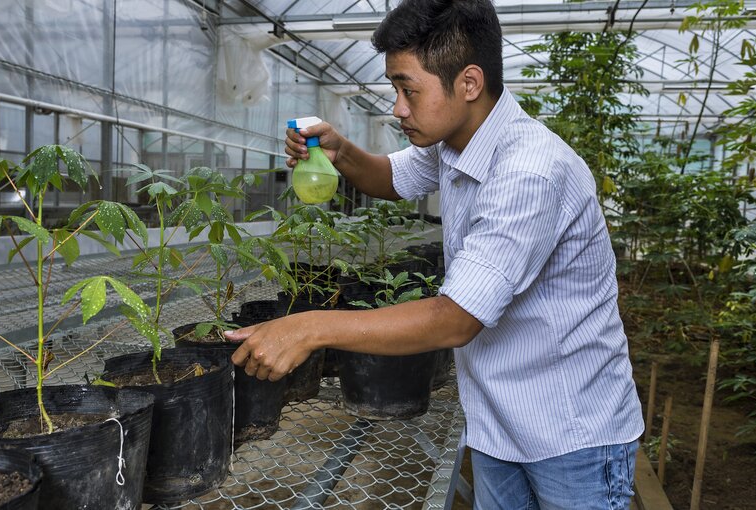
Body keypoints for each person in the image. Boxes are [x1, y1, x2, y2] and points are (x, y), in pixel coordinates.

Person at [224, 0, 644, 507]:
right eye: (395, 89)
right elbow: (390, 177)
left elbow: (455, 320)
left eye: (408, 90)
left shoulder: (530, 171)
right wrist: (341, 152)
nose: (398, 107)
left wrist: (309, 327)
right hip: (497, 421)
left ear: (468, 83)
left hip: (571, 435)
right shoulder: (455, 142)